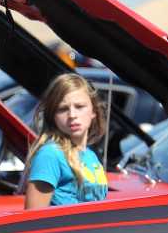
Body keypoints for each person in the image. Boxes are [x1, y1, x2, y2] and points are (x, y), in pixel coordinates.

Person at [24, 73, 109, 210]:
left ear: (94, 111)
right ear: (53, 116)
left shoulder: (90, 156)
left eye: (79, 106)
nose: (72, 115)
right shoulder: (50, 155)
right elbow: (32, 219)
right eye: (63, 109)